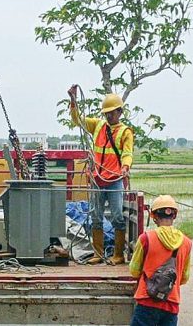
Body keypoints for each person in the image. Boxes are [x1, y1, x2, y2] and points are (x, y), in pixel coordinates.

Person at [68, 85, 134, 265]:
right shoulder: (97, 126)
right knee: (95, 216)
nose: (108, 116)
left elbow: (127, 153)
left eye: (112, 113)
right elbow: (77, 121)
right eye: (106, 113)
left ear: (120, 112)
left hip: (114, 181)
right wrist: (73, 102)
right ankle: (98, 254)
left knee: (117, 216)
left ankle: (118, 255)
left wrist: (126, 166)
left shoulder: (125, 132)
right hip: (97, 180)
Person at [129, 195, 192, 326]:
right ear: (174, 215)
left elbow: (134, 271)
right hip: (171, 301)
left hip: (147, 300)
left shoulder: (145, 239)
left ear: (154, 216)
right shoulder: (186, 242)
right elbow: (184, 278)